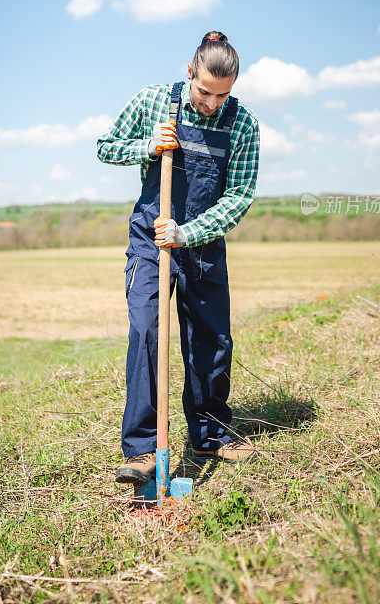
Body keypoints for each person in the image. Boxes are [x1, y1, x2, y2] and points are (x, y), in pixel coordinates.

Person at [97, 31, 260, 485]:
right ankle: (142, 449)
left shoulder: (242, 123)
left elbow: (240, 195)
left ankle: (210, 434)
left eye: (222, 95)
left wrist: (187, 232)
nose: (212, 103)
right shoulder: (154, 101)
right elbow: (105, 146)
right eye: (205, 91)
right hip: (151, 239)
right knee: (147, 329)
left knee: (210, 339)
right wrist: (147, 147)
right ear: (191, 71)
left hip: (202, 243)